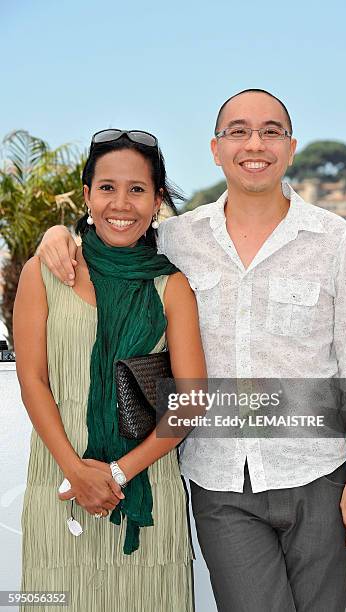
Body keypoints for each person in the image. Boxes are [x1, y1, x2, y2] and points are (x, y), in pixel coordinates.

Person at [37, 90, 346, 612]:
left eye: (271, 131)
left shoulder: (331, 238)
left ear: (291, 147)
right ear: (216, 148)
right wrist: (56, 236)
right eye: (238, 131)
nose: (254, 144)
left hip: (320, 474)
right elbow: (110, 237)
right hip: (219, 482)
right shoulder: (176, 238)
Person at [13, 129, 207, 612]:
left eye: (137, 190)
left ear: (157, 200)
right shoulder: (45, 271)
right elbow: (33, 381)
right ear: (86, 195)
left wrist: (116, 474)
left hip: (145, 487)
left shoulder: (171, 285)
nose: (121, 203)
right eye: (107, 187)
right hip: (58, 483)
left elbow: (192, 400)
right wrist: (76, 470)